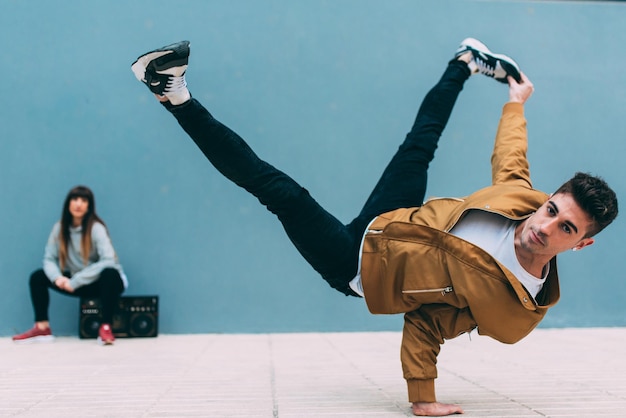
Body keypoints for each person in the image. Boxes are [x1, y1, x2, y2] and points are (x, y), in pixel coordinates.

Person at [130, 38, 618, 416]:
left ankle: (173, 94)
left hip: (357, 266)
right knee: (420, 142)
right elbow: (512, 156)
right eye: (552, 209)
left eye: (566, 228)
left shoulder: (517, 308)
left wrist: (422, 396)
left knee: (280, 193)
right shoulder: (523, 202)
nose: (545, 226)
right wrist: (517, 102)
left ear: (582, 243)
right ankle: (465, 62)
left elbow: (430, 323)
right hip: (392, 220)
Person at [13, 185, 128, 346]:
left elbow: (109, 260)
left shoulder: (96, 228)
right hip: (74, 282)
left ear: (89, 206)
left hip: (101, 283)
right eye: (75, 199)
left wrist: (75, 281)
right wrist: (57, 278)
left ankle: (106, 327)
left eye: (83, 200)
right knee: (38, 277)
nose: (78, 204)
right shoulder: (59, 228)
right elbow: (49, 259)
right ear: (68, 203)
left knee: (110, 273)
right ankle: (42, 328)